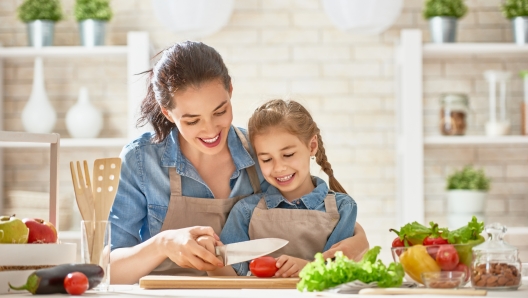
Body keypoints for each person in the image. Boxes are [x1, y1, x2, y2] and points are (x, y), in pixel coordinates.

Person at [108, 41, 369, 284]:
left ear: (230, 90)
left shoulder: (262, 153)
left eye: (220, 111)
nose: (210, 130)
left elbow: (308, 213)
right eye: (192, 120)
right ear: (168, 113)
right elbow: (109, 271)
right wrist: (163, 244)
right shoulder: (141, 160)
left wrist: (358, 239)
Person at [202, 99, 359, 277]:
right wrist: (211, 260)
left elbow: (340, 273)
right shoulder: (245, 211)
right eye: (266, 159)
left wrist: (309, 268)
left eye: (288, 154)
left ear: (312, 146)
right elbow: (230, 281)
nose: (278, 167)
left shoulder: (343, 208)